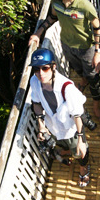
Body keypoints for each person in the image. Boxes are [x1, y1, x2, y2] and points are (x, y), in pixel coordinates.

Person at [29, 0, 100, 126]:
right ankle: (83, 79)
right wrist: (38, 34)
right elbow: (51, 18)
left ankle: (96, 106)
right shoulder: (56, 3)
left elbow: (98, 29)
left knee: (94, 78)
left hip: (86, 48)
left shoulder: (84, 6)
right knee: (78, 70)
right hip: (67, 45)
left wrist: (98, 53)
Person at [30, 47, 91, 188]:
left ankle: (83, 167)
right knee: (61, 142)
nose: (40, 73)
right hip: (53, 124)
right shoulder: (34, 81)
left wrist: (81, 139)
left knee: (80, 151)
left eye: (45, 68)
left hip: (71, 127)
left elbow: (77, 115)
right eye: (36, 69)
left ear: (53, 67)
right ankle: (67, 149)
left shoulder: (66, 87)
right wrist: (41, 126)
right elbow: (36, 103)